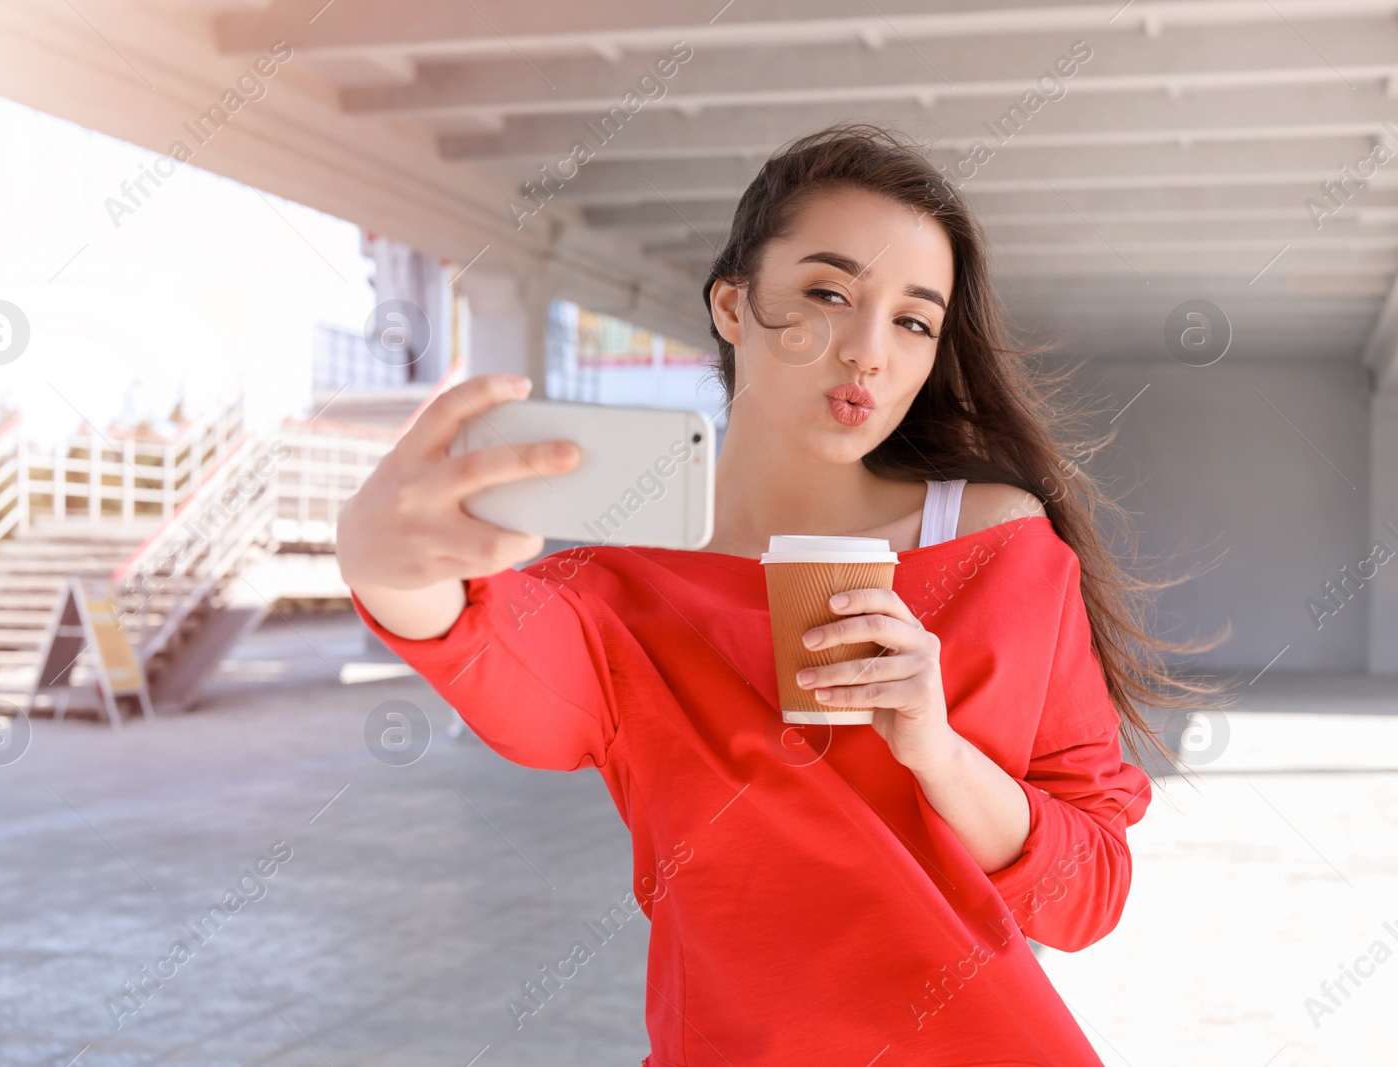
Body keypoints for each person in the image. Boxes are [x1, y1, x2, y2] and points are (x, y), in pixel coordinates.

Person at [335, 122, 1228, 1066]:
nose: (868, 351)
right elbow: (487, 650)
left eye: (913, 320)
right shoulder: (614, 599)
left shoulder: (999, 546)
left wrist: (939, 753)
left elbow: (1087, 895)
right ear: (732, 303)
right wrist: (386, 564)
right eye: (828, 293)